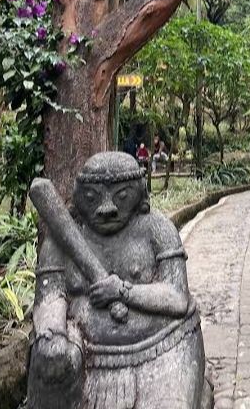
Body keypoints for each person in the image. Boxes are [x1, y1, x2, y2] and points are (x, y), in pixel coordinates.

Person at [28, 152, 209, 409]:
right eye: (93, 198)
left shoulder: (156, 230)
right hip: (86, 351)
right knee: (48, 358)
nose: (107, 209)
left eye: (121, 196)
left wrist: (123, 291)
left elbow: (177, 297)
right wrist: (53, 333)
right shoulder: (60, 242)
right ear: (80, 197)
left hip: (162, 345)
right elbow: (49, 296)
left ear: (138, 193)